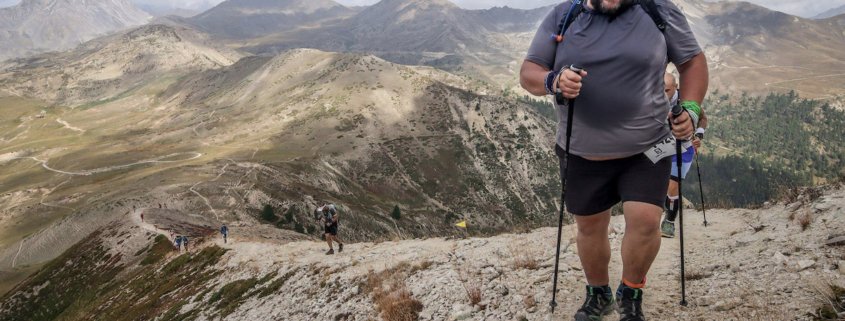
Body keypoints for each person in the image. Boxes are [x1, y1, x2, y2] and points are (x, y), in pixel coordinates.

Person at [520, 0, 708, 320]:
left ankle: (631, 292)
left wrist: (690, 108)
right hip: (582, 149)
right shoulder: (564, 16)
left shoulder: (658, 11)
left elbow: (692, 61)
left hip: (649, 146)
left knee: (647, 221)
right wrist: (554, 81)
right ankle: (599, 293)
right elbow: (529, 72)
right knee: (591, 228)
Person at [661, 73, 709, 238]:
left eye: (667, 90)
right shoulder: (652, 97)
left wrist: (699, 134)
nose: (662, 94)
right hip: (661, 146)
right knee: (659, 185)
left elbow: (703, 118)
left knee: (672, 186)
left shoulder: (686, 99)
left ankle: (669, 222)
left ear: (676, 87)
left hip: (684, 147)